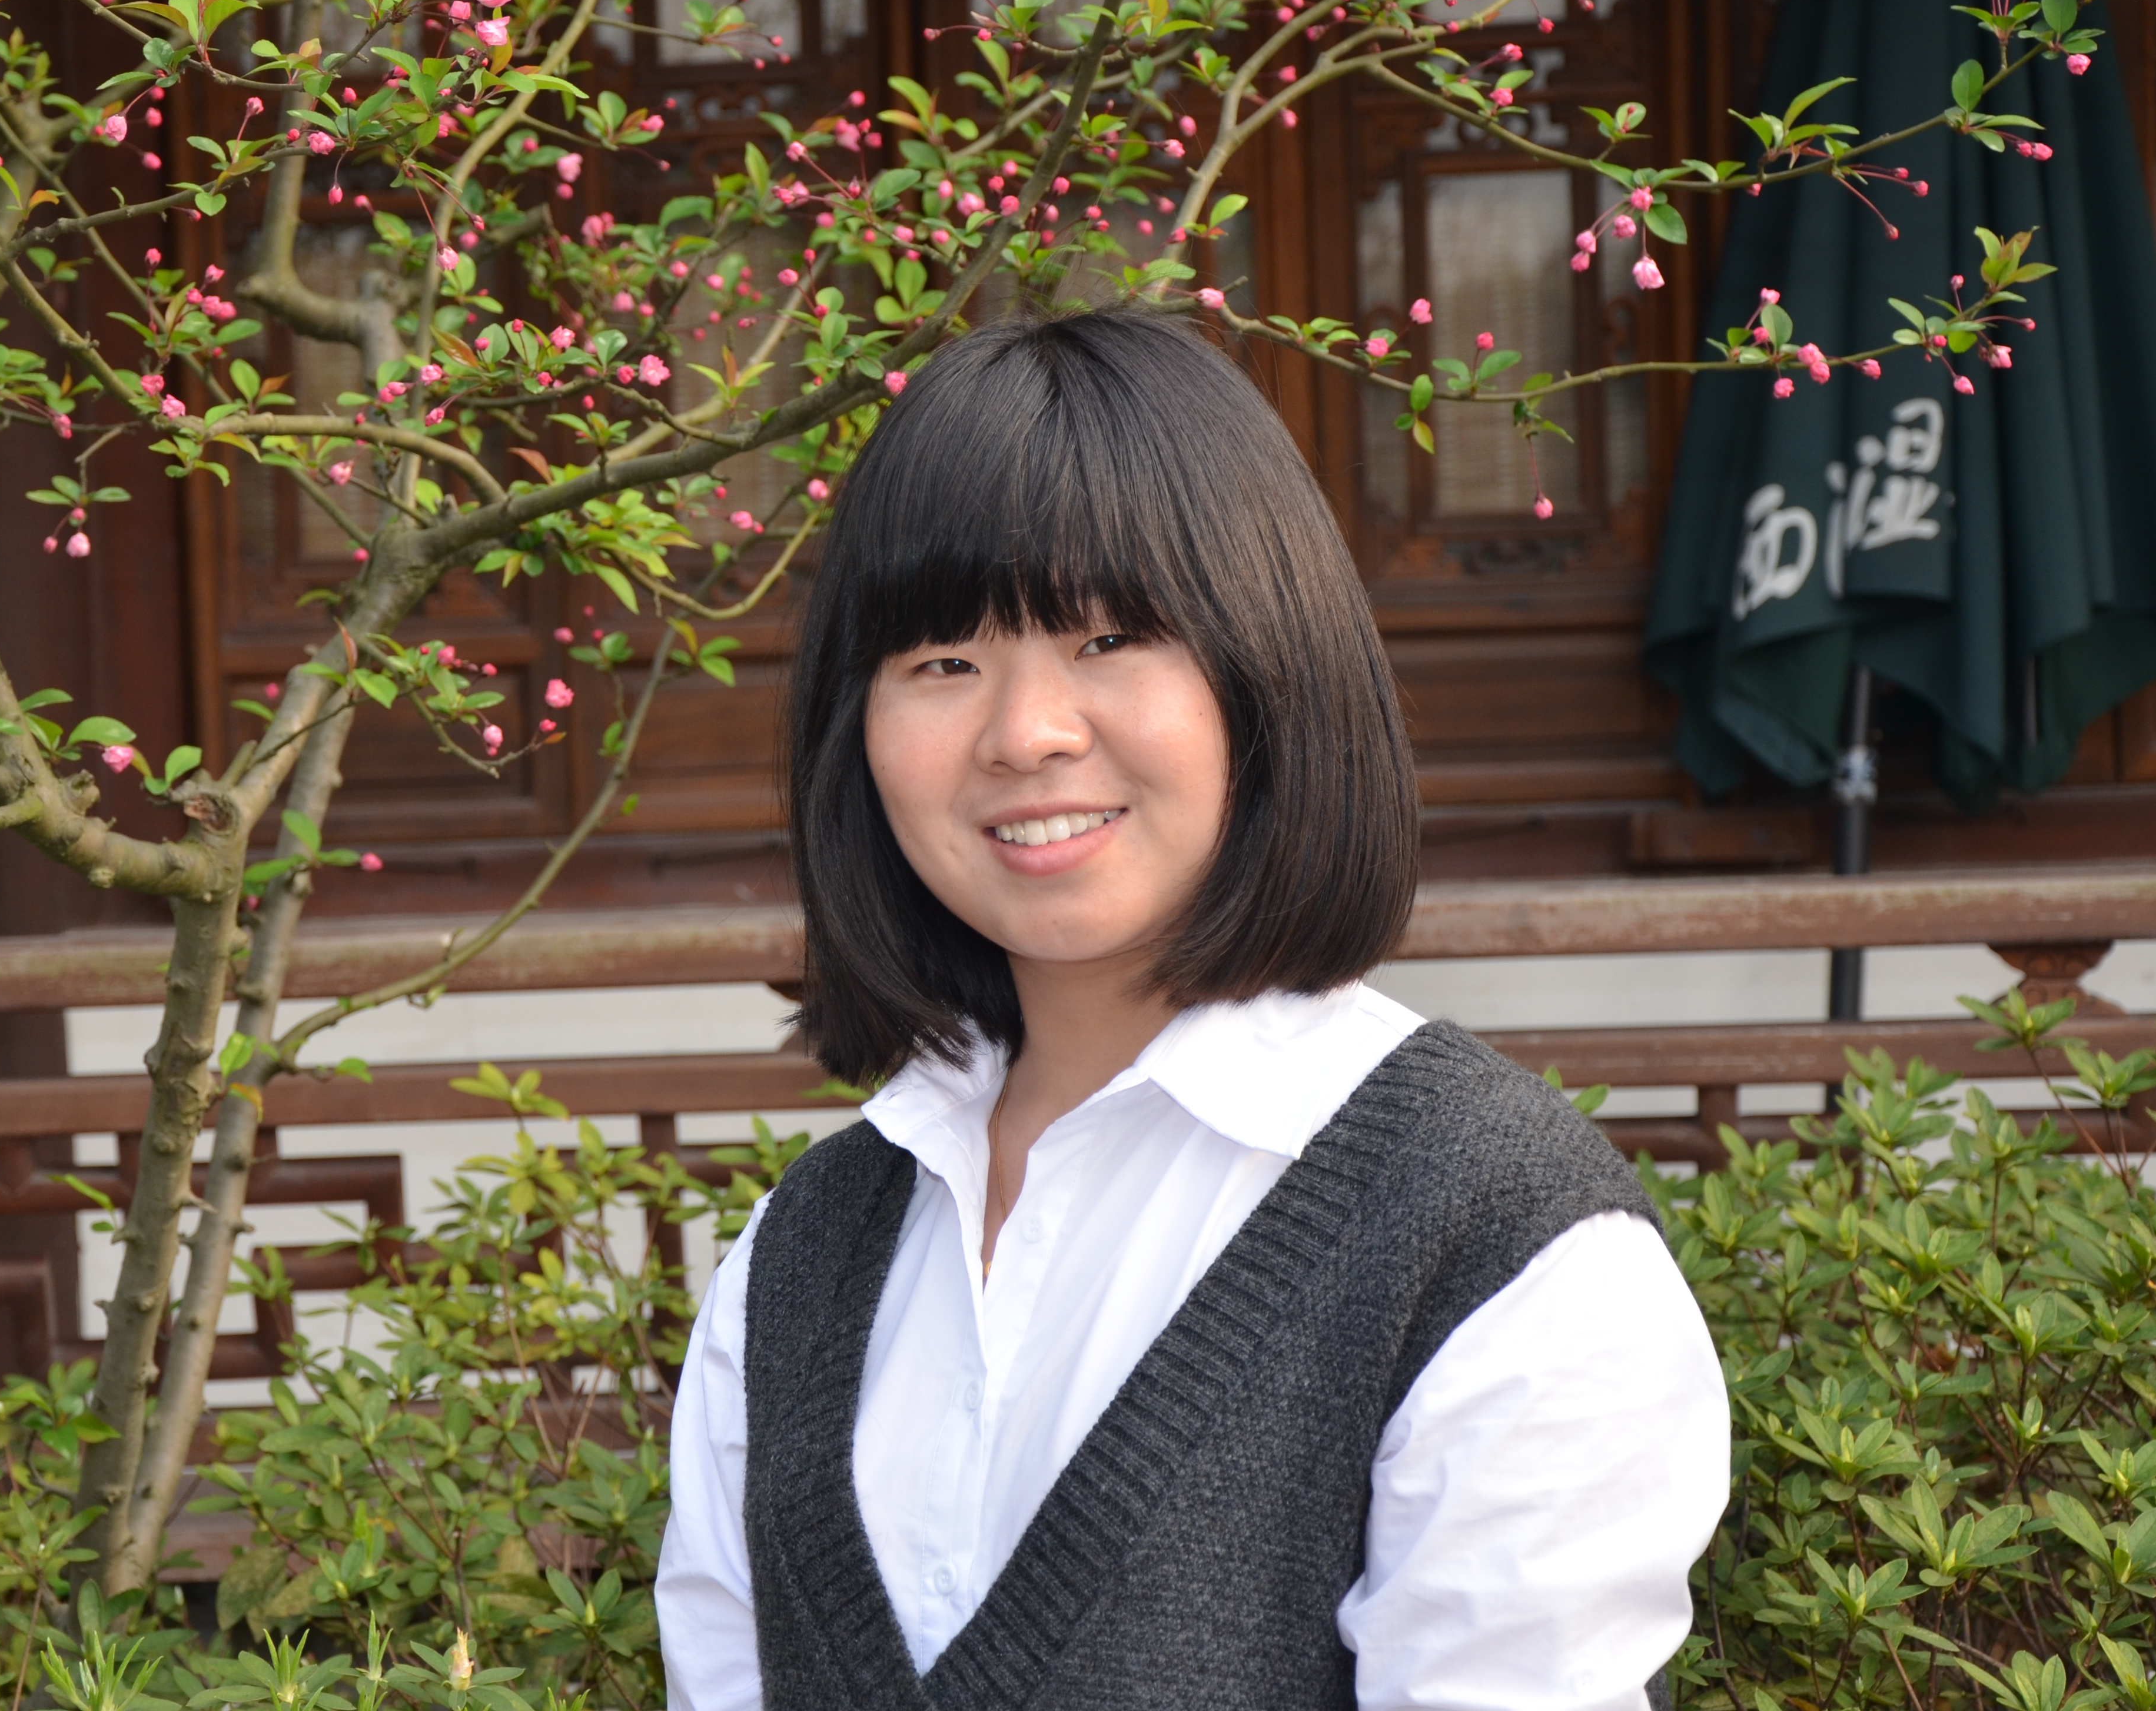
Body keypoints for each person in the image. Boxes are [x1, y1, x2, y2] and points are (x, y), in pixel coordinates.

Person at [656, 308, 1729, 1710]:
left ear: (1268, 672)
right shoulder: (801, 1254)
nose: (1025, 733)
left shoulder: (1493, 1240)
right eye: (941, 662)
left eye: (1109, 637)